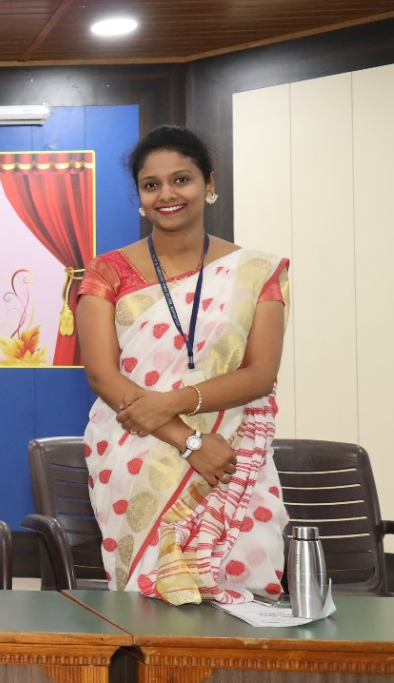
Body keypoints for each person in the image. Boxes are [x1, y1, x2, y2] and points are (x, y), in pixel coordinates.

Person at [76, 124, 289, 605]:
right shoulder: (107, 271)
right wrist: (189, 440)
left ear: (208, 183)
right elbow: (102, 376)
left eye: (181, 179)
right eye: (151, 185)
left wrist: (172, 403)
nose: (167, 194)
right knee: (147, 601)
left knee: (242, 596)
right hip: (135, 447)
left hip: (230, 451)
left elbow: (260, 373)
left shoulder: (258, 272)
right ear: (139, 196)